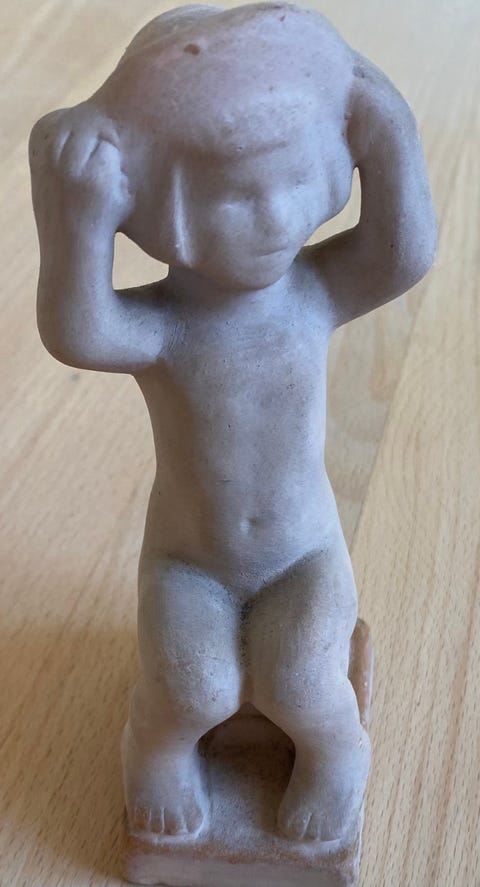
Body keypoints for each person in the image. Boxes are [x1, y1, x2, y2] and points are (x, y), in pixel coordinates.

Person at [29, 2, 436, 843]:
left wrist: (389, 129)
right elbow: (79, 331)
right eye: (236, 197)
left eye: (295, 180)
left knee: (303, 682)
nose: (278, 217)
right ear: (162, 207)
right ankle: (155, 745)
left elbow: (403, 252)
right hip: (188, 565)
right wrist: (76, 218)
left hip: (304, 554)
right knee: (189, 686)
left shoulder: (314, 293)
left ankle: (338, 751)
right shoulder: (168, 327)